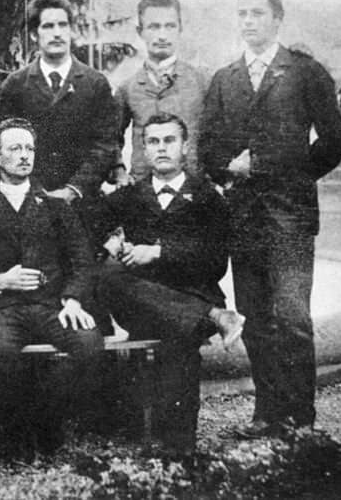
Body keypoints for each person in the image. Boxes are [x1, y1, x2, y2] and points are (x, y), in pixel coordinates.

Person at [199, 0, 341, 438]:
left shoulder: (305, 73)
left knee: (293, 318)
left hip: (289, 219)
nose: (249, 22)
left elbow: (333, 143)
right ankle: (266, 414)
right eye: (242, 14)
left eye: (258, 14)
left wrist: (287, 176)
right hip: (242, 219)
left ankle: (300, 418)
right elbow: (206, 147)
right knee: (256, 320)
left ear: (277, 20)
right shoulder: (225, 80)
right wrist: (229, 168)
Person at [94, 112, 244, 453]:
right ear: (143, 150)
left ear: (185, 147)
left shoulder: (209, 199)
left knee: (177, 338)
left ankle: (177, 452)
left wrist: (158, 252)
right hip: (142, 303)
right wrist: (109, 244)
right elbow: (82, 232)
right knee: (109, 277)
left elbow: (216, 263)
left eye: (169, 141)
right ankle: (214, 317)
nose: (161, 149)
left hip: (189, 292)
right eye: (153, 142)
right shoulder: (127, 197)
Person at [0, 118, 103, 460]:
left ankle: (45, 421)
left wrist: (72, 299)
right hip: (3, 310)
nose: (25, 156)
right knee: (0, 353)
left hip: (53, 306)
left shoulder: (56, 207)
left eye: (29, 149)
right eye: (15, 149)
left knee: (89, 344)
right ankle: (12, 439)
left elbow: (82, 262)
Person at [0, 0, 119, 203]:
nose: (57, 33)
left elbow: (105, 145)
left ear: (72, 30)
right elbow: (3, 142)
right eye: (48, 26)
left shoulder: (95, 84)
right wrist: (34, 189)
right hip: (29, 198)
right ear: (34, 34)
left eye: (63, 25)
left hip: (82, 200)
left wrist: (74, 189)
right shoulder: (15, 85)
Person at [113, 0, 210, 184]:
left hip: (193, 189)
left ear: (180, 29)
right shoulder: (128, 88)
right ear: (140, 31)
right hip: (144, 191)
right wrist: (118, 171)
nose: (162, 35)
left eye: (170, 26)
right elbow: (110, 138)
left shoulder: (202, 81)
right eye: (154, 27)